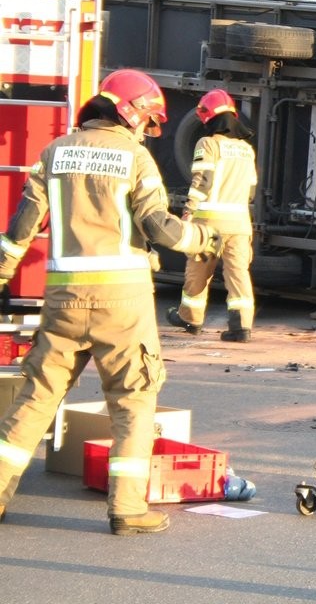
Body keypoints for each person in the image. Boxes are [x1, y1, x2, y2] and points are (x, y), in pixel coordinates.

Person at [0, 69, 221, 534]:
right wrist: (202, 238)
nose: (147, 129)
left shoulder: (53, 153)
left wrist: (2, 273)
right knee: (133, 399)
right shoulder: (135, 157)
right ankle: (126, 508)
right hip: (122, 303)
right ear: (130, 111)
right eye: (148, 119)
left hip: (63, 299)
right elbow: (159, 227)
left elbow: (22, 226)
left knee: (37, 397)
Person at [166, 89, 258, 342]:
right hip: (240, 224)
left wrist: (188, 210)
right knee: (238, 273)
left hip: (209, 225)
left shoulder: (208, 144)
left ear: (208, 118)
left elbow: (202, 181)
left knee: (198, 272)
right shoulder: (246, 150)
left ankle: (190, 319)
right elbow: (251, 190)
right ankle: (241, 328)